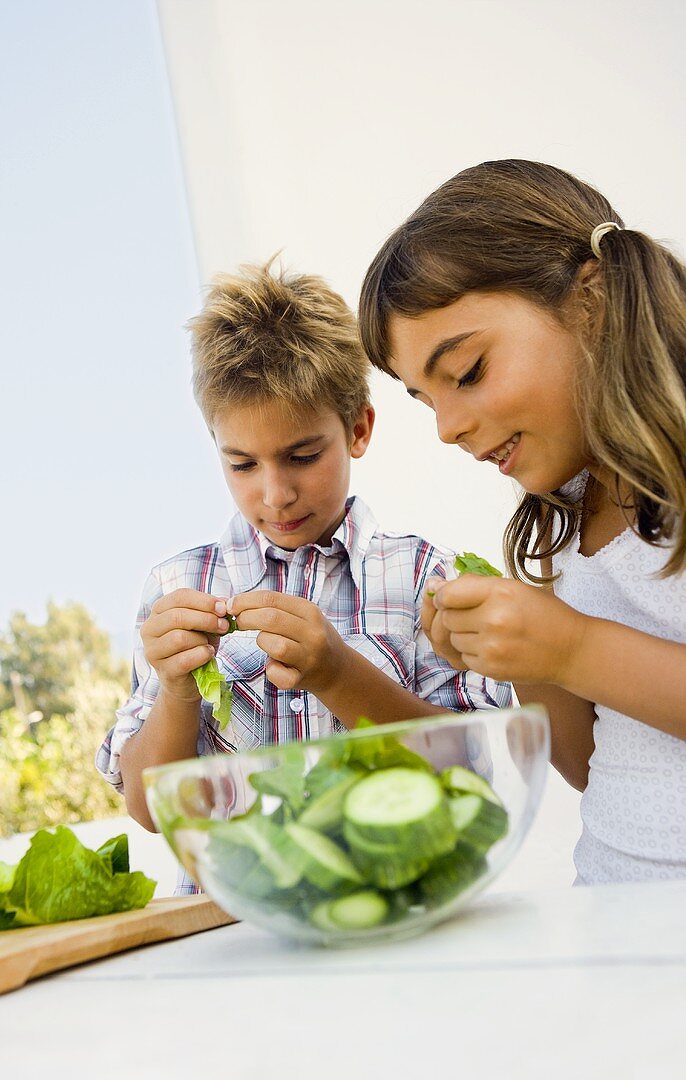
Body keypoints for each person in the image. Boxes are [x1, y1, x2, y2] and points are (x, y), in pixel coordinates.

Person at [96, 260, 512, 890]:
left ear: (359, 429)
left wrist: (338, 673)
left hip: (394, 911)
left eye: (302, 456)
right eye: (242, 465)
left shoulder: (424, 576)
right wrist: (178, 690)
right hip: (233, 936)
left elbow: (466, 771)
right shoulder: (177, 586)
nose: (275, 493)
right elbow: (151, 809)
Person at [358, 158, 686, 885]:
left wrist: (573, 648)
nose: (446, 428)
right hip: (615, 918)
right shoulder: (564, 524)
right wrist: (527, 660)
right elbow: (586, 766)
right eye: (424, 398)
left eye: (467, 371)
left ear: (591, 303)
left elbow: (589, 654)